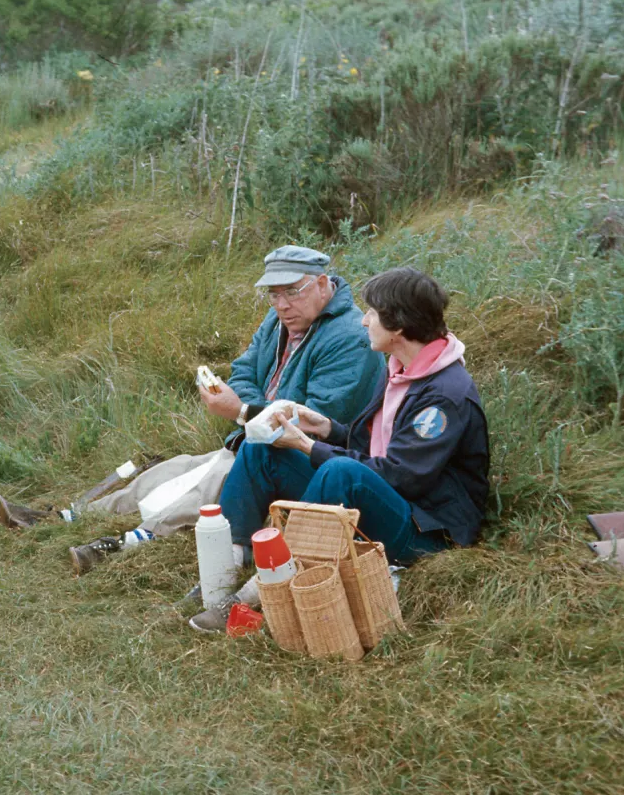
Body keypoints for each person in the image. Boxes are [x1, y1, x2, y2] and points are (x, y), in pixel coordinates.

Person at [0, 245, 386, 576]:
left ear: (322, 284)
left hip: (293, 457)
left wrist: (241, 409)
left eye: (292, 292)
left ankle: (126, 543)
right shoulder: (280, 319)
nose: (282, 304)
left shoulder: (349, 336)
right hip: (252, 438)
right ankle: (70, 516)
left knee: (206, 481)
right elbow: (244, 369)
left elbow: (307, 422)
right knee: (174, 469)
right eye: (272, 294)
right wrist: (244, 407)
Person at [188, 266, 490, 632]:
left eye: (372, 314)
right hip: (391, 498)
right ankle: (224, 573)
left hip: (427, 528)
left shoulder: (444, 397)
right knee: (261, 450)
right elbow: (376, 447)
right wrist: (326, 428)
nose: (363, 321)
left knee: (339, 472)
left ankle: (258, 594)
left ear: (397, 327)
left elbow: (401, 476)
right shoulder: (400, 365)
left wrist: (308, 446)